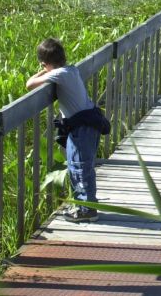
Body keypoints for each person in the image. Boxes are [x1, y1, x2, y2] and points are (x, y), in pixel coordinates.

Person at [27, 38, 107, 223]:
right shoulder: (71, 70)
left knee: (79, 167)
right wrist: (47, 68)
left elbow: (29, 84)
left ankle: (86, 210)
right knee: (83, 166)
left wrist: (42, 70)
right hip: (90, 122)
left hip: (81, 127)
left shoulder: (59, 74)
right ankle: (86, 205)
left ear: (44, 63)